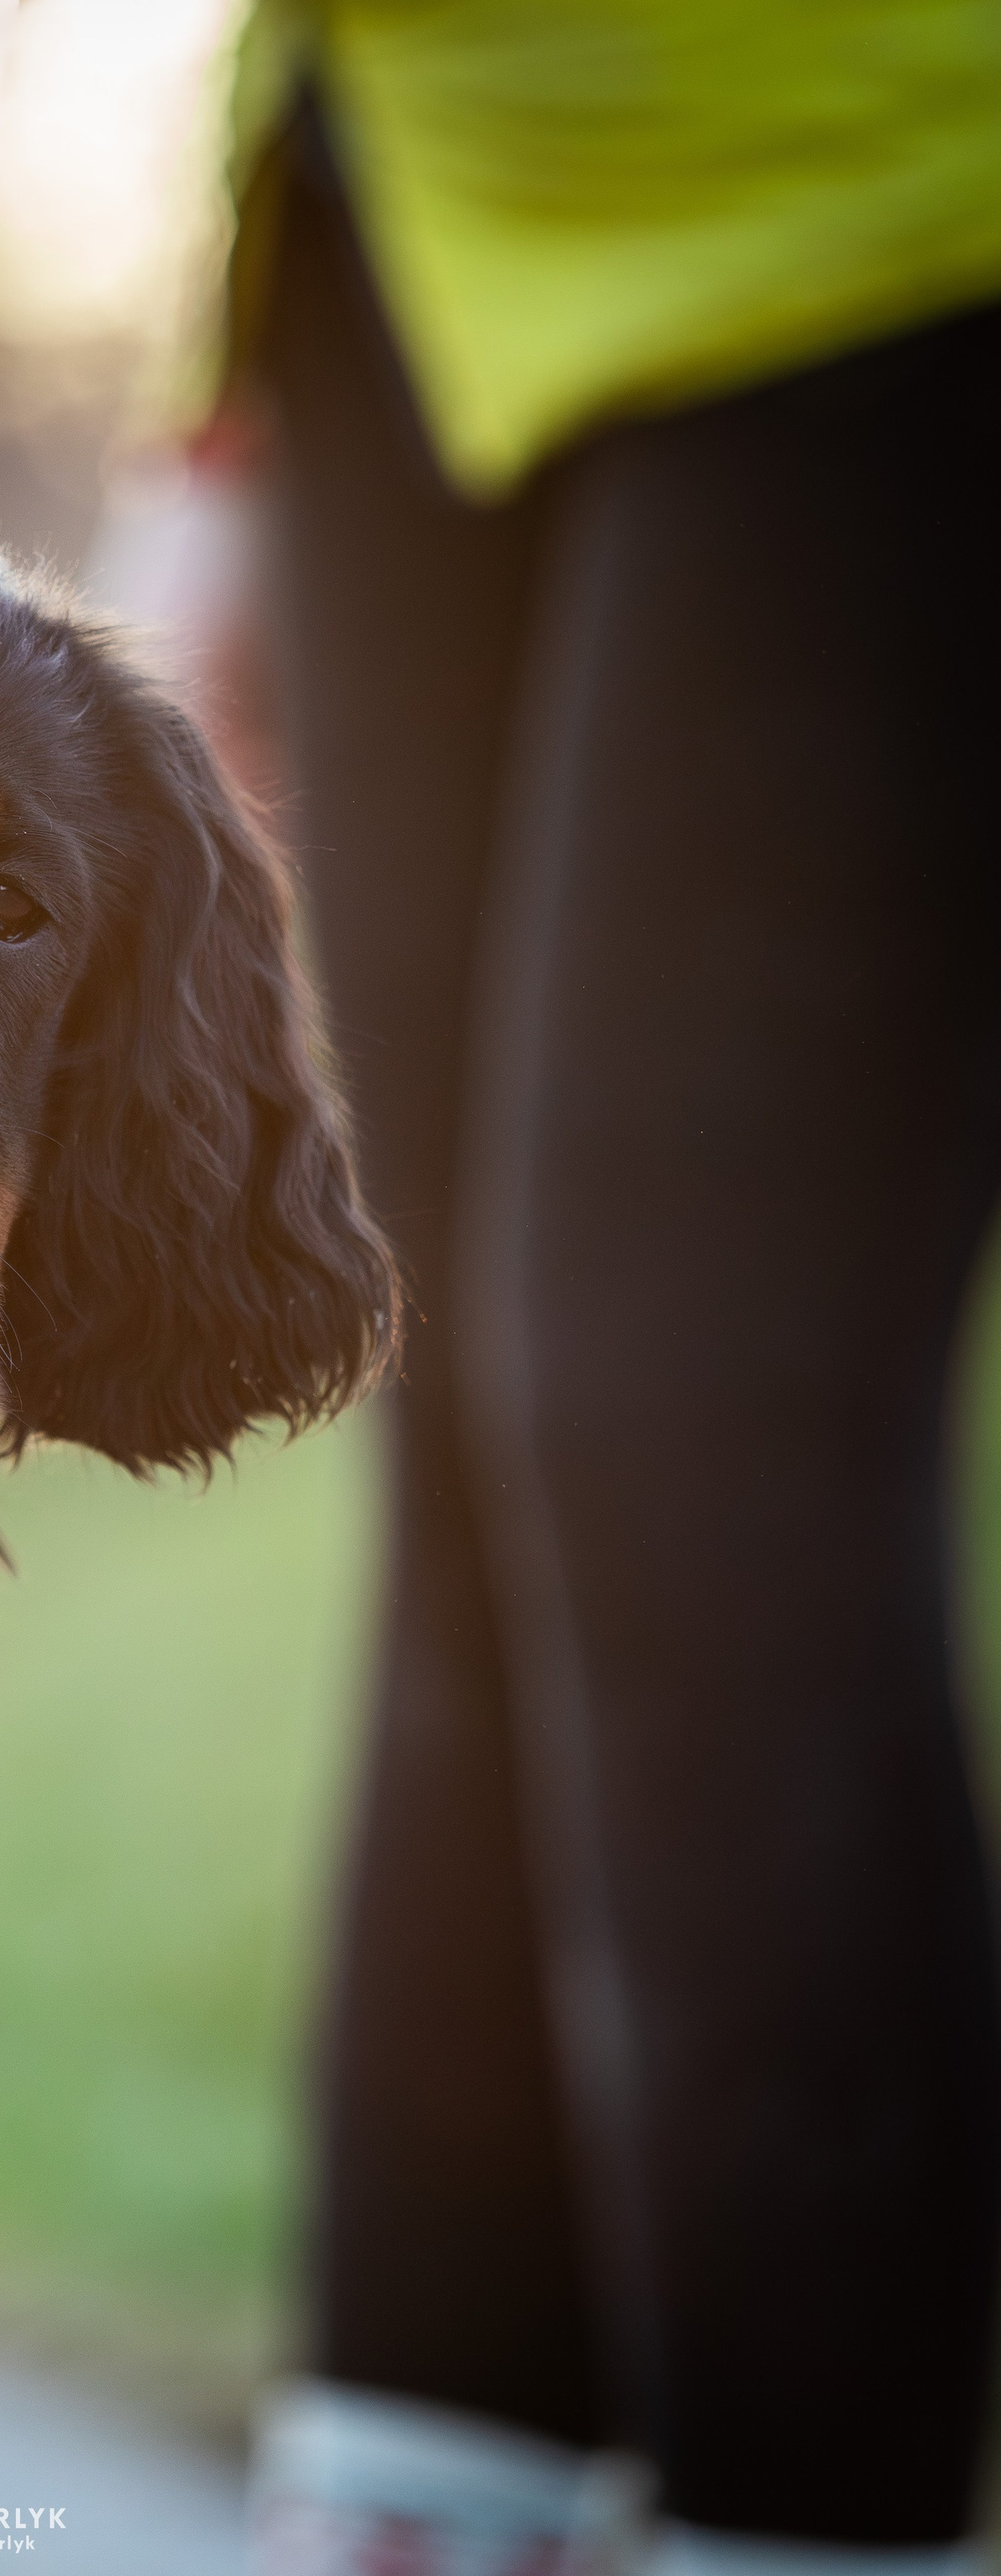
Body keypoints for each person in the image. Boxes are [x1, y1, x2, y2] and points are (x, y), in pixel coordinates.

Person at [212, 10, 1001, 2574]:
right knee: (436, 1369)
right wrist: (209, 387)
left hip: (881, 179)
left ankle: (815, 2513)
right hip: (404, 203)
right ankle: (426, 2475)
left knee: (688, 1429)